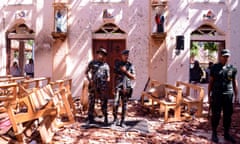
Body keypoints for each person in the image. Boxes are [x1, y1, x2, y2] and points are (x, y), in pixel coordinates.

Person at [208, 49, 238, 143]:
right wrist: (209, 95)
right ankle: (214, 133)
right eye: (224, 56)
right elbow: (211, 82)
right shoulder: (214, 67)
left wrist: (236, 95)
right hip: (217, 95)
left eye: (227, 56)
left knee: (228, 115)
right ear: (220, 56)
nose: (225, 58)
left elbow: (234, 82)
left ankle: (226, 133)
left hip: (228, 95)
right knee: (216, 115)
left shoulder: (232, 68)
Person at [85, 48, 110, 125]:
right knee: (91, 101)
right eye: (100, 53)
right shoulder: (92, 63)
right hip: (93, 85)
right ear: (97, 54)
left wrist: (106, 81)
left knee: (104, 101)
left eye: (103, 54)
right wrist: (90, 80)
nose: (101, 55)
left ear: (104, 56)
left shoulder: (106, 65)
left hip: (102, 86)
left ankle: (105, 117)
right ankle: (90, 117)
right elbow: (86, 72)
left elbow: (108, 76)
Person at [112, 49, 136, 127]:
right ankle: (115, 119)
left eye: (127, 55)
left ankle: (123, 121)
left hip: (126, 88)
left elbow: (133, 77)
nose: (126, 57)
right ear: (121, 56)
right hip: (118, 86)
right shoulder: (117, 64)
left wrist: (126, 72)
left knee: (124, 105)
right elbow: (114, 76)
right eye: (124, 55)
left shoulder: (130, 65)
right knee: (115, 103)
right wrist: (113, 87)